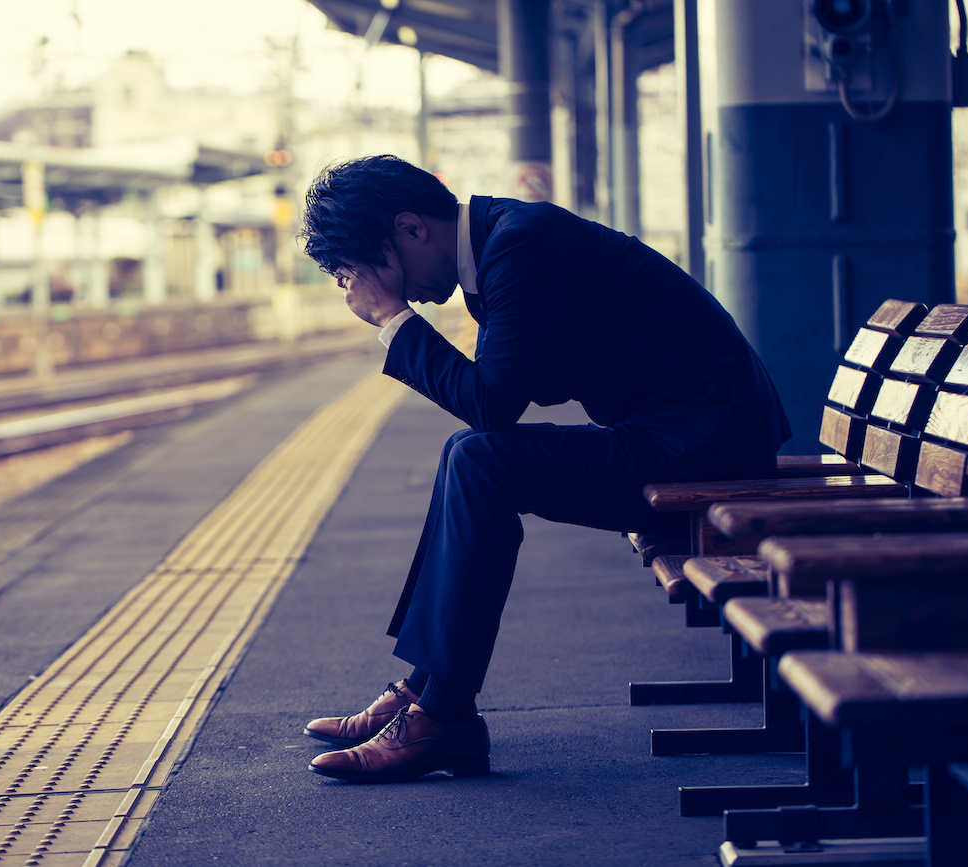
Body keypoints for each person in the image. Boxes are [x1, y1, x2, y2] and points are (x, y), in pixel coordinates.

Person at [297, 155, 791, 784]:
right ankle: (424, 692)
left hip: (707, 446)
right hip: (681, 434)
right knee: (466, 455)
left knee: (479, 458)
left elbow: (490, 406)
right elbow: (517, 389)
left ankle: (443, 715)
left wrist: (395, 320)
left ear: (411, 229)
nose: (369, 291)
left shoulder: (524, 247)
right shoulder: (507, 243)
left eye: (367, 271)